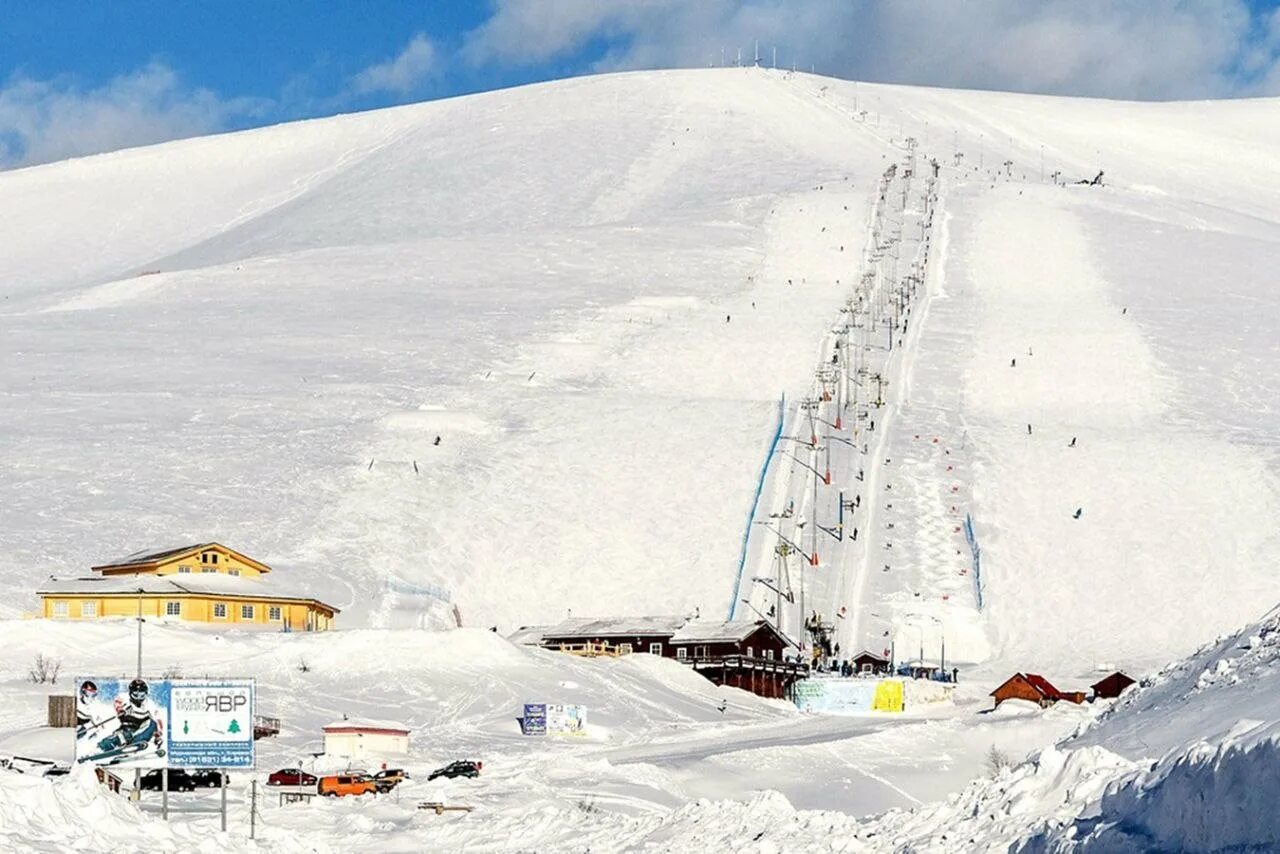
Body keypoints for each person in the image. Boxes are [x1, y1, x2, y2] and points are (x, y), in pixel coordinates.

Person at [97, 678, 163, 756]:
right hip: (127, 729)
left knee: (152, 723)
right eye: (135, 694)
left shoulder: (150, 705)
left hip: (141, 730)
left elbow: (157, 722)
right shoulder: (124, 698)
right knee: (115, 739)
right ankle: (98, 750)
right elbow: (117, 705)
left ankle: (134, 744)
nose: (138, 698)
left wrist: (158, 736)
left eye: (141, 695)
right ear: (130, 693)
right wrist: (122, 710)